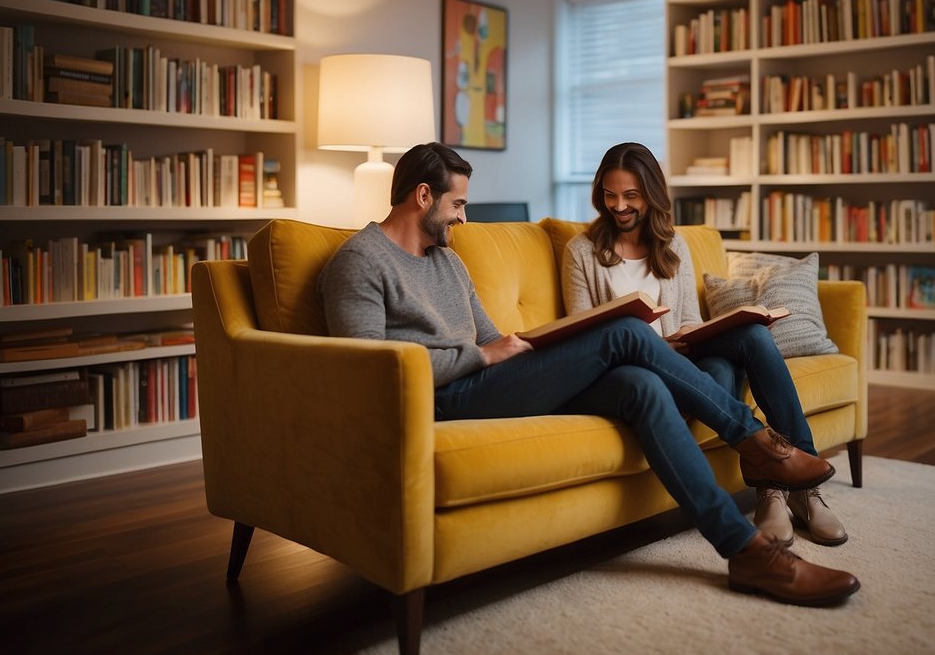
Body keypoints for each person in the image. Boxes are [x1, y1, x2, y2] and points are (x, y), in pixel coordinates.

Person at [318, 141, 859, 606]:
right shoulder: (360, 261)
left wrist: (538, 349)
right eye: (457, 204)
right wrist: (483, 357)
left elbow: (489, 337)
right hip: (441, 396)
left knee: (642, 384)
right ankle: (758, 442)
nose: (463, 216)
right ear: (423, 197)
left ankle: (747, 553)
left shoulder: (447, 261)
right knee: (625, 333)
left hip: (486, 381)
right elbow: (370, 369)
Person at [561, 142, 849, 547]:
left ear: (652, 194)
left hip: (683, 357)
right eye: (610, 195)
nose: (619, 206)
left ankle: (796, 489)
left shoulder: (673, 245)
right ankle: (777, 480)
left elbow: (691, 319)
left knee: (751, 335)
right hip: (637, 370)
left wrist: (688, 336)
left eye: (631, 196)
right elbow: (584, 336)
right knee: (720, 373)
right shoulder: (581, 252)